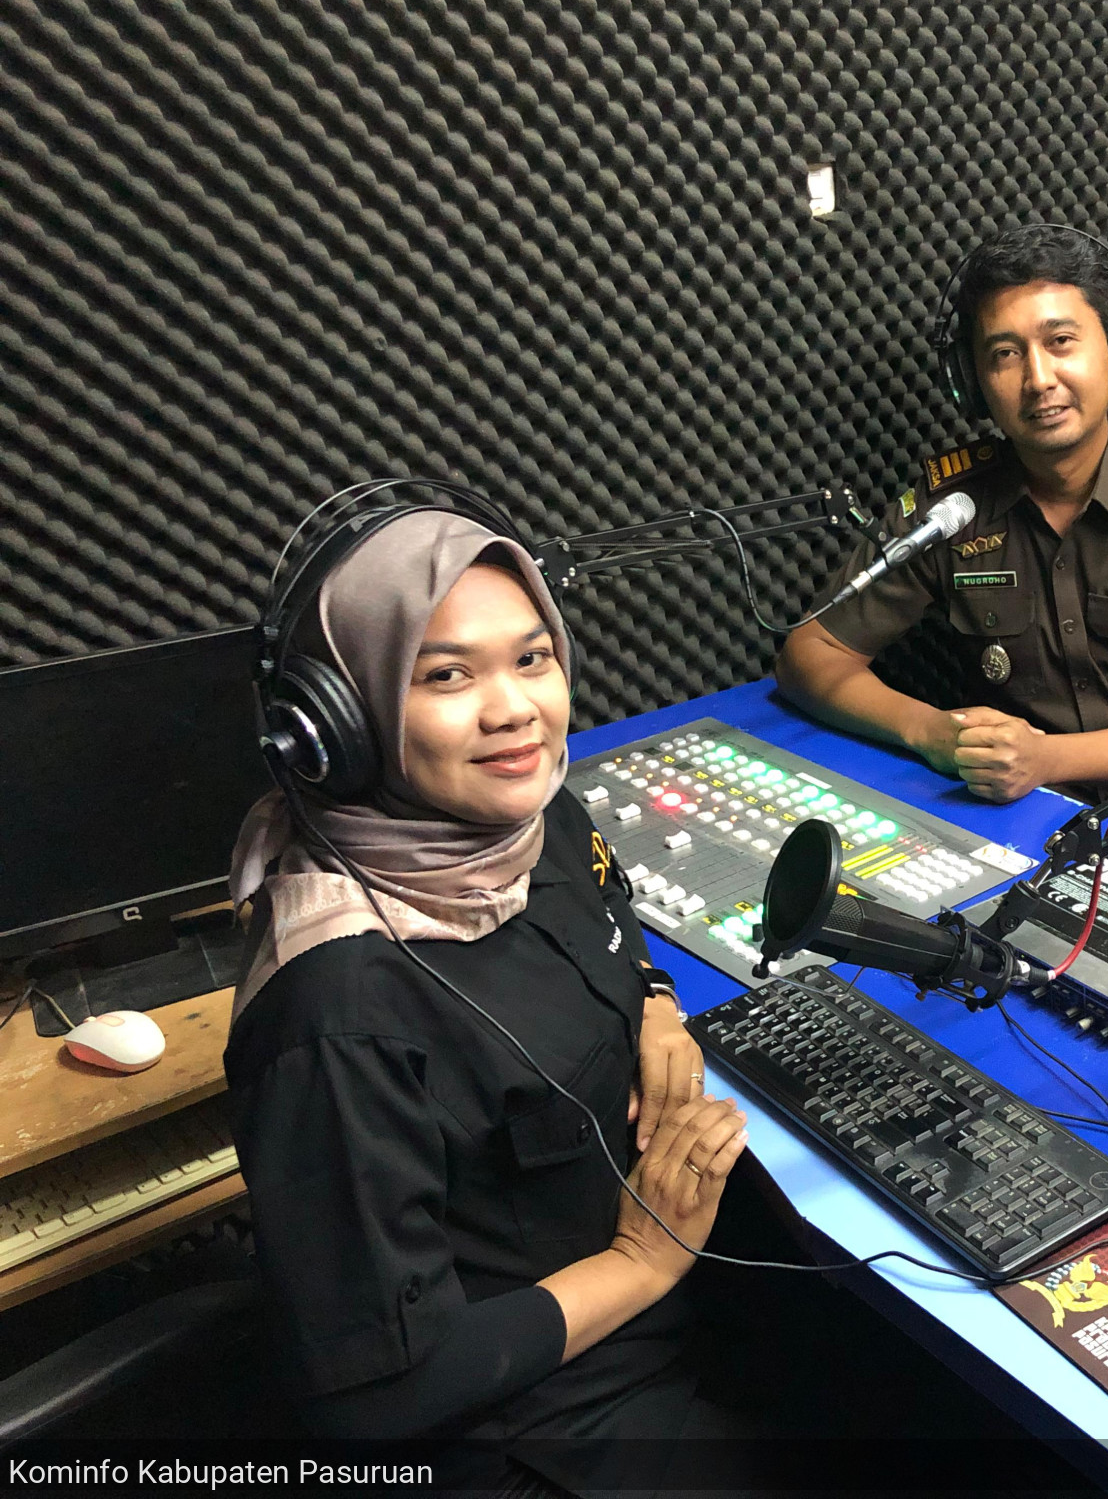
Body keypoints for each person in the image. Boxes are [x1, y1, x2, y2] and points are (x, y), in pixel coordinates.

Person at [223, 506, 1036, 1491]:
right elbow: (376, 1396)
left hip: (676, 1301)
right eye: (447, 676)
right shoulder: (336, 1016)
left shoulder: (528, 816)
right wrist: (639, 1261)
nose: (514, 711)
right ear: (342, 722)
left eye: (531, 659)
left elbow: (606, 896)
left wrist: (651, 998)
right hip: (546, 1414)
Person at [775, 226, 1108, 864]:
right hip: (1007, 820)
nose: (1038, 379)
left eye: (1061, 342)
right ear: (973, 382)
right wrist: (931, 732)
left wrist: (1045, 758)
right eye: (1005, 354)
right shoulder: (952, 508)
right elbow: (810, 653)